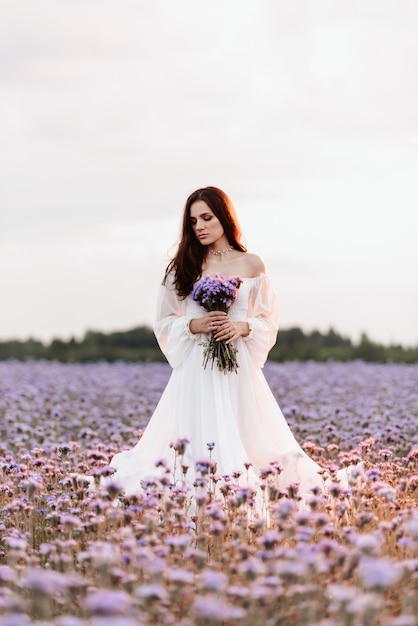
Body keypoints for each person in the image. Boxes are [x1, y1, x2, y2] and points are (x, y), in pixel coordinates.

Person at [107, 186, 332, 505]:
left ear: (224, 217)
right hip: (197, 369)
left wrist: (242, 326)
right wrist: (193, 324)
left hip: (238, 369)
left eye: (206, 217)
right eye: (193, 220)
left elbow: (268, 320)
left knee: (250, 438)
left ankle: (243, 493)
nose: (199, 226)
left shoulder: (252, 264)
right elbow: (163, 321)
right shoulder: (182, 266)